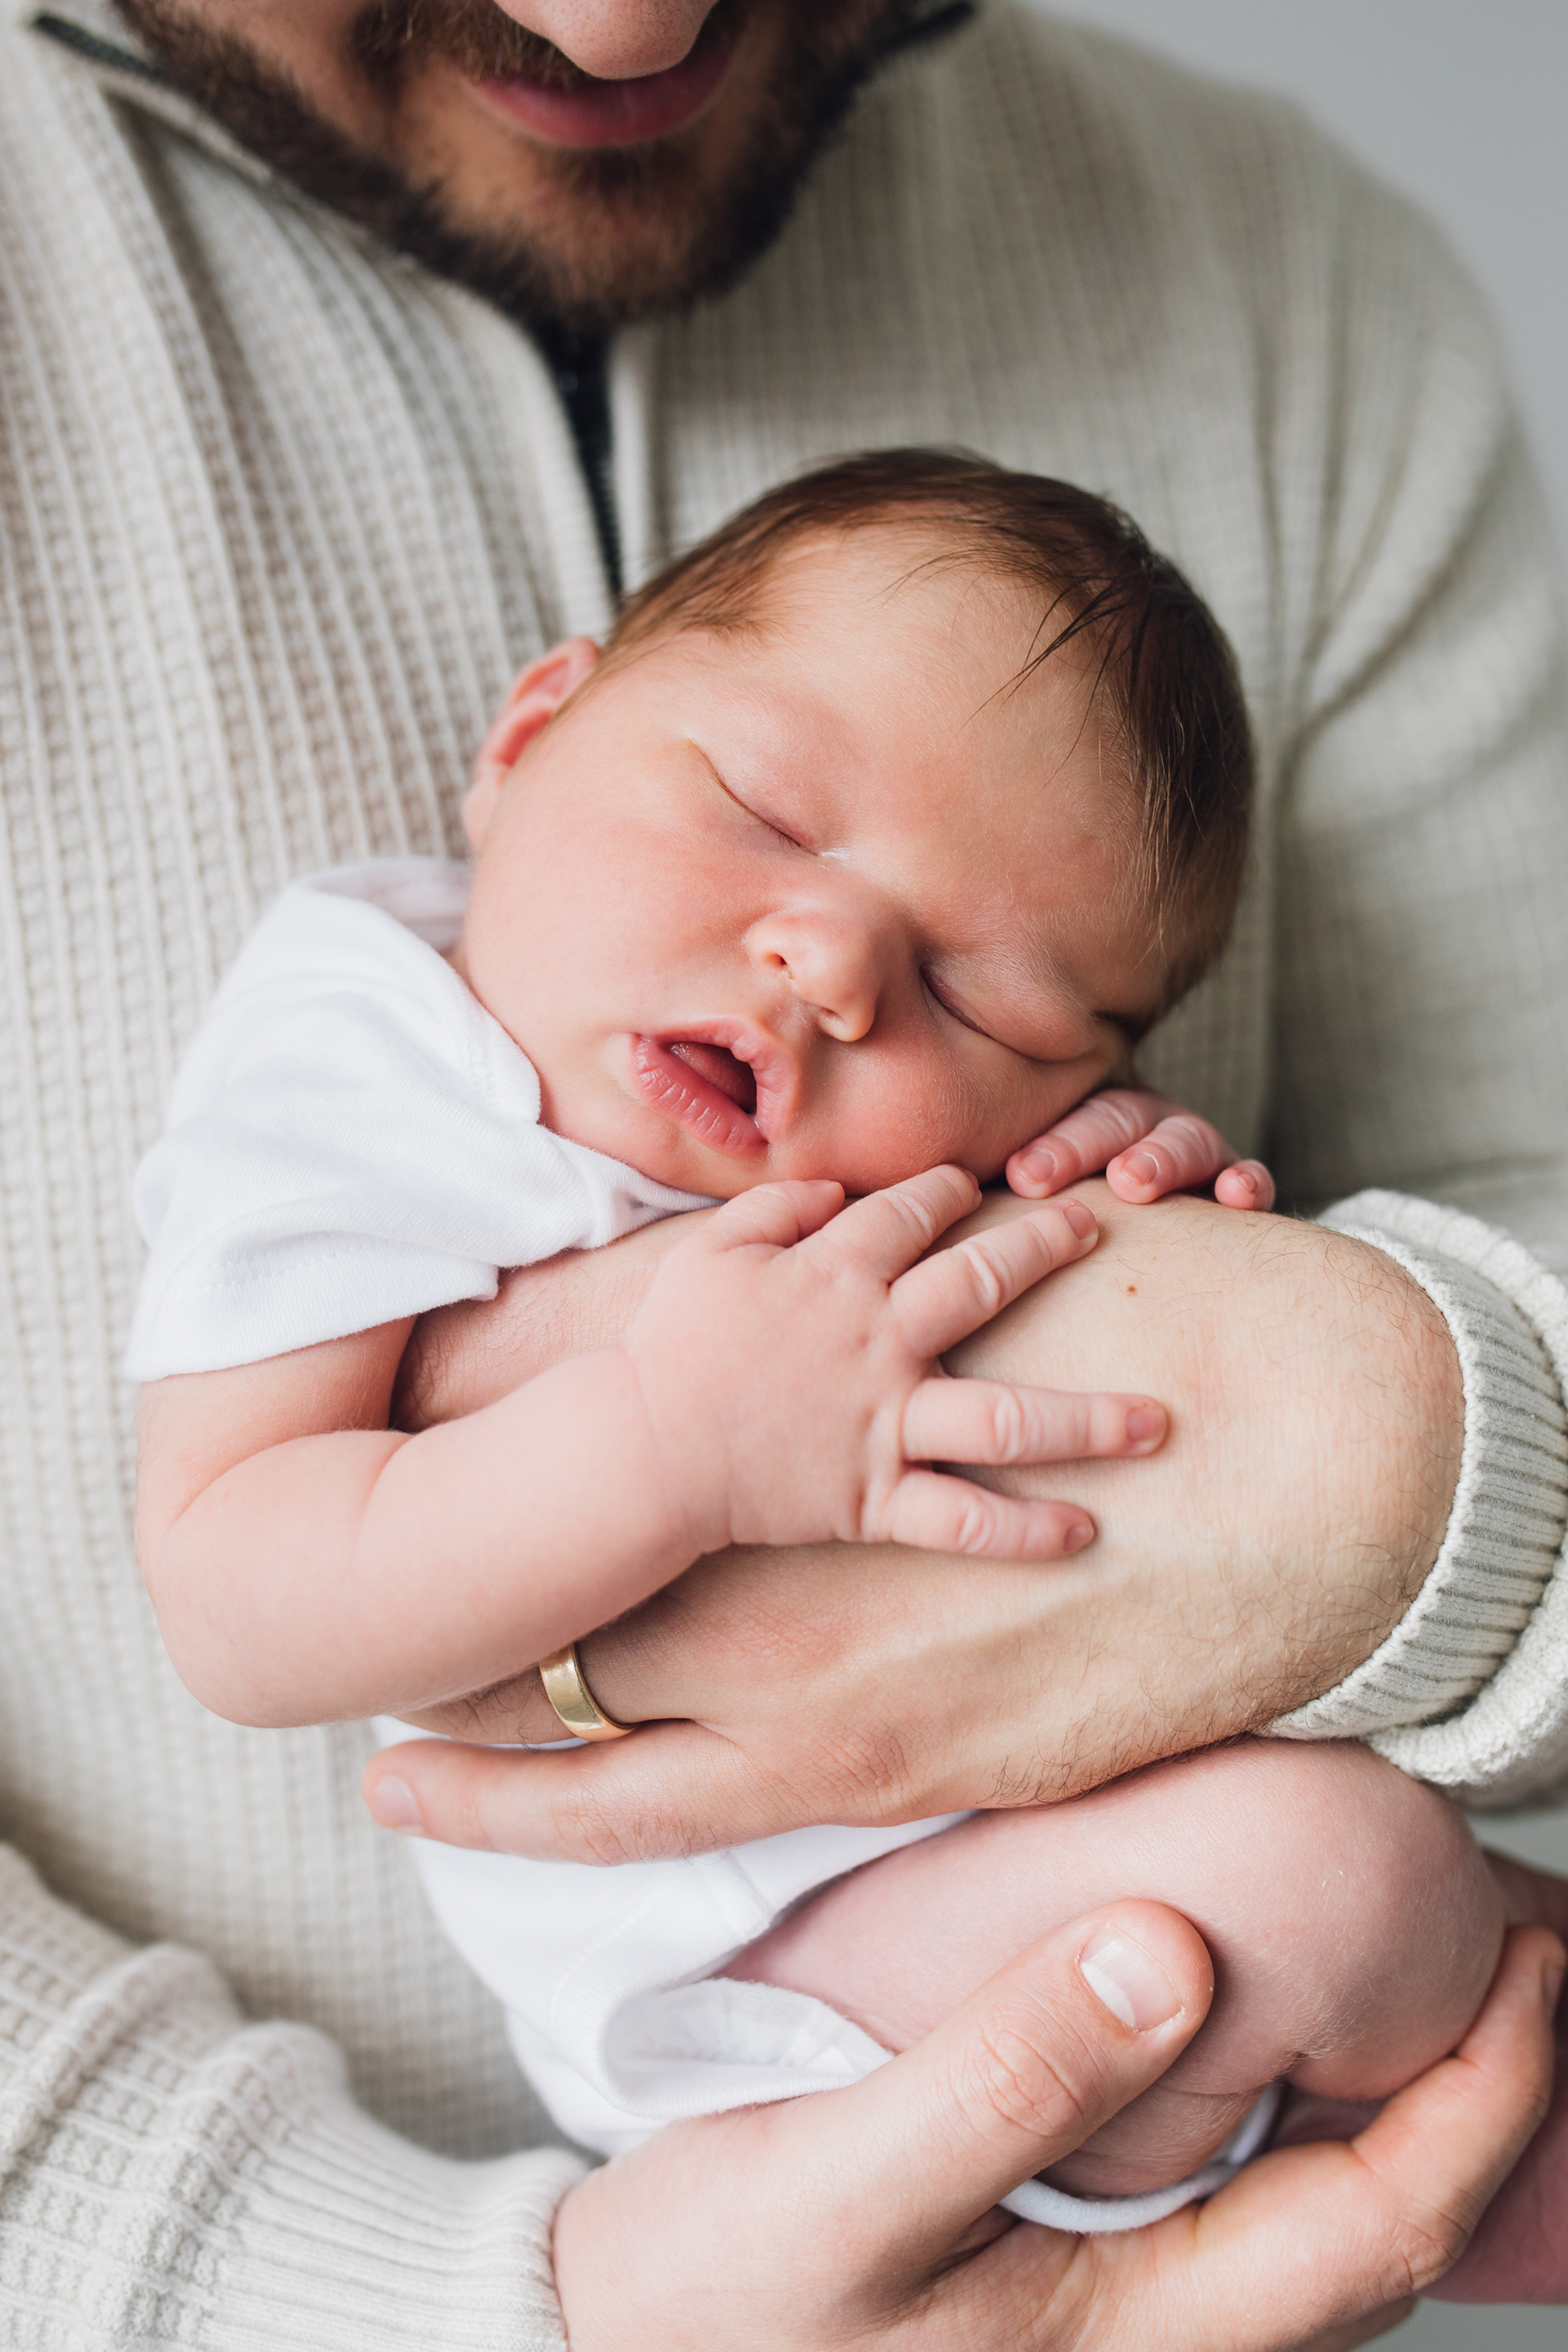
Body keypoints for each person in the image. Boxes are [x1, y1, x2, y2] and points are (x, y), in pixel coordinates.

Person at [1, 0, 1565, 2342]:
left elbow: (1470, 1209)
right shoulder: (371, 1061)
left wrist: (1169, 1232)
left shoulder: (1299, 301)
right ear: (529, 736)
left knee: (1409, 1901)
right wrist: (661, 1437)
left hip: (1012, 1849)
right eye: (752, 812)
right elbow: (241, 1586)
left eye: (988, 1004)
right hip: (729, 1959)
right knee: (1330, 1885)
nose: (829, 964)